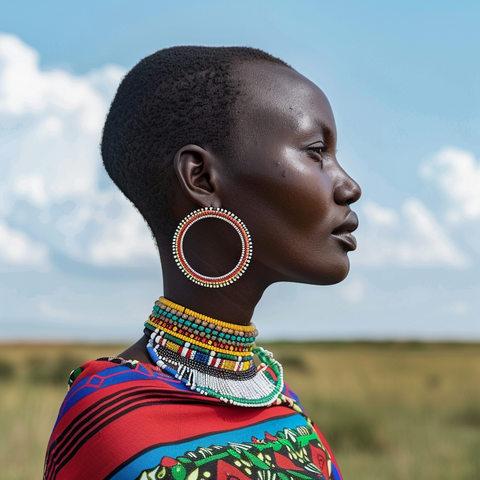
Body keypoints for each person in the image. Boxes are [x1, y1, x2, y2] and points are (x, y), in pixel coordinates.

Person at [44, 46, 361, 480]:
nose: (348, 186)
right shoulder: (111, 422)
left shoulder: (280, 401)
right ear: (202, 178)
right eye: (316, 151)